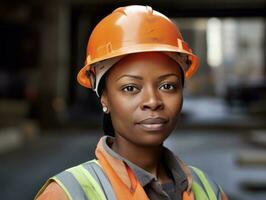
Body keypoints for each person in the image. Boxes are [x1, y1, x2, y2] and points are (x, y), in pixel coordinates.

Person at [35, 5, 228, 200]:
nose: (152, 102)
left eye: (167, 86)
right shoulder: (66, 194)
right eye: (130, 88)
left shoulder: (209, 189)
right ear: (104, 98)